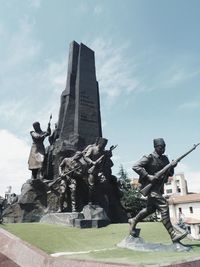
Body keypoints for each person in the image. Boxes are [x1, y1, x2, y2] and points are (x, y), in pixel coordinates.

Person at [129, 138, 187, 243]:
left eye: (164, 147)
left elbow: (170, 174)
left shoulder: (165, 159)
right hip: (151, 188)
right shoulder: (149, 157)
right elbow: (135, 166)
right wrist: (148, 176)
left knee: (150, 210)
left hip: (159, 188)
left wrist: (173, 166)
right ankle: (173, 235)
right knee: (164, 206)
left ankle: (133, 220)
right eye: (161, 147)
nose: (163, 149)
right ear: (155, 147)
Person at [82, 137, 108, 203]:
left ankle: (98, 200)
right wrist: (92, 162)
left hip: (99, 171)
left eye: (105, 145)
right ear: (99, 143)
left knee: (101, 185)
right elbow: (86, 156)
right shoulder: (92, 149)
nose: (103, 146)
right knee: (92, 185)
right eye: (103, 144)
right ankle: (90, 200)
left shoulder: (103, 152)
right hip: (91, 170)